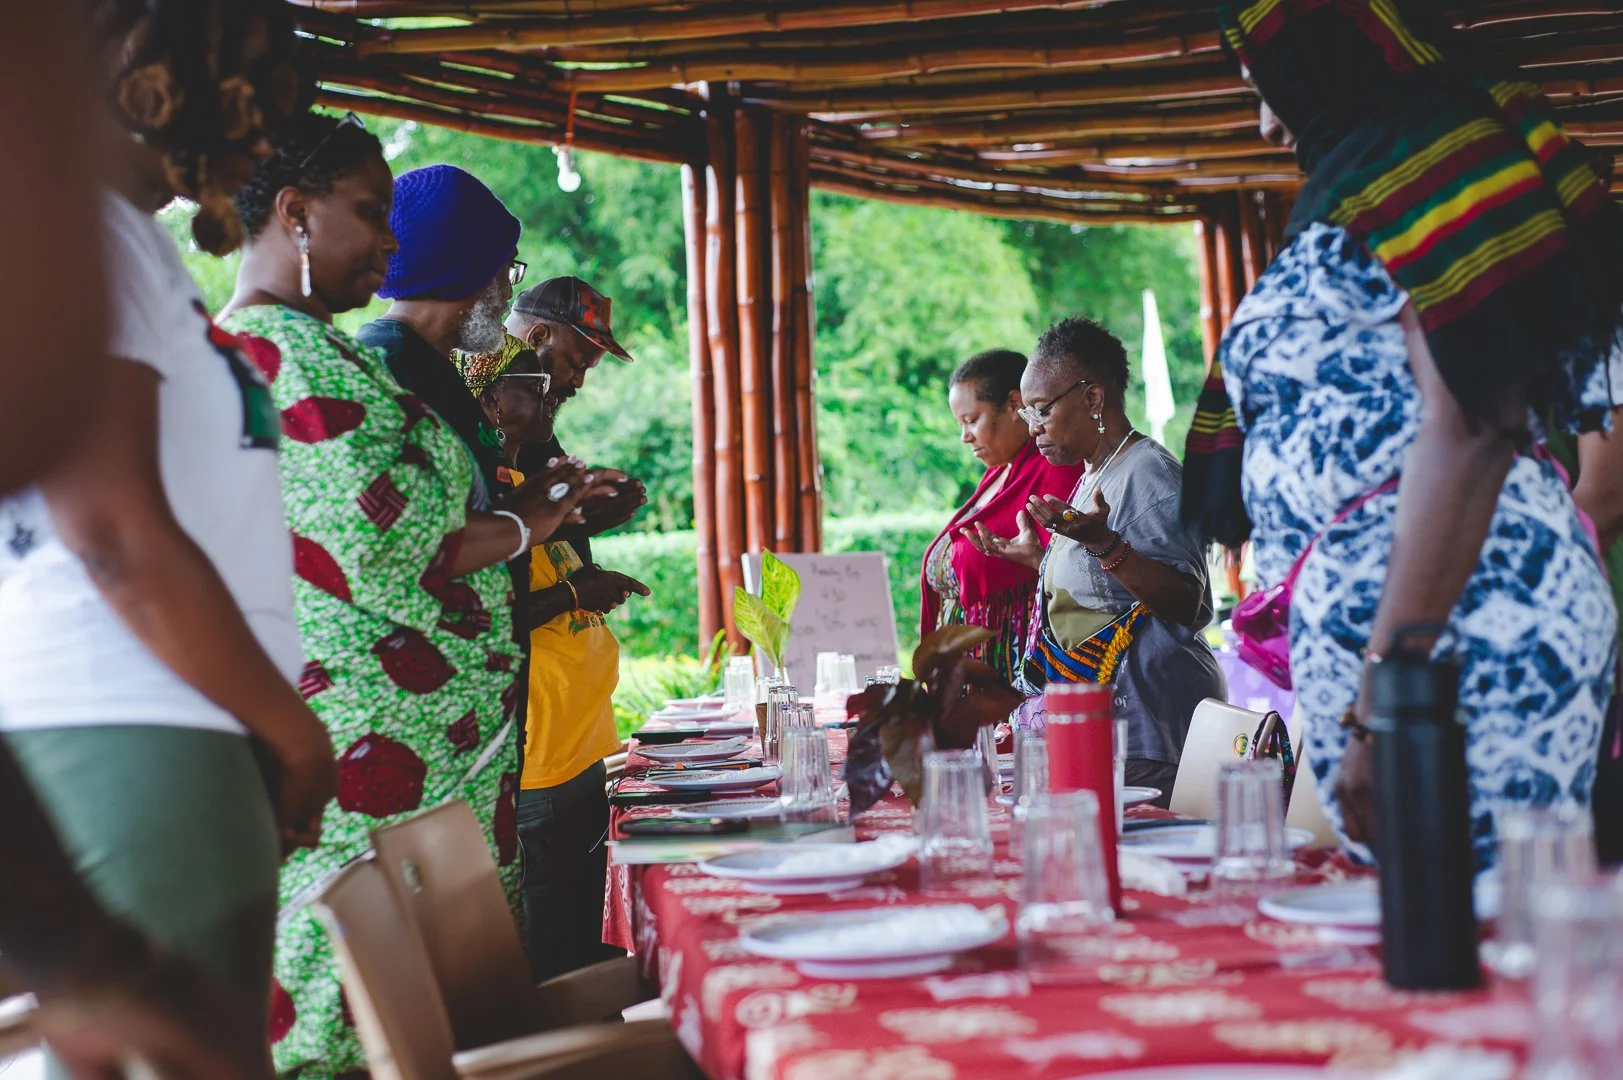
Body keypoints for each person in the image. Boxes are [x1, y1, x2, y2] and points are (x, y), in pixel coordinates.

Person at [1186, 0, 1621, 871]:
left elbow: (1469, 425)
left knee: (1481, 938)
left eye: (1262, 79)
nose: (1262, 116)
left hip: (1471, 635)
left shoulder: (1428, 166)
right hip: (1405, 642)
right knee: (1427, 931)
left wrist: (1385, 699)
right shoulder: (1350, 195)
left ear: (1315, 58)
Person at [219, 115, 603, 1076]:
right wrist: (530, 524)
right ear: (295, 215)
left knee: (458, 1034)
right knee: (366, 1041)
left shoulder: (324, 349)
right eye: (372, 214)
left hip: (439, 777)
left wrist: (534, 517)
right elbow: (382, 549)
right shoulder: (266, 359)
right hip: (367, 785)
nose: (391, 243)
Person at [0, 4, 336, 1076]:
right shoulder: (92, 235)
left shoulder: (116, 242)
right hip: (139, 723)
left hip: (153, 720)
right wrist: (293, 736)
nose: (269, 140)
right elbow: (113, 536)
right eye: (261, 103)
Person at [461, 305, 647, 980]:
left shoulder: (527, 486)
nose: (555, 398)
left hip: (583, 751)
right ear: (491, 402)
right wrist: (575, 594)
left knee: (593, 940)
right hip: (539, 765)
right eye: (537, 390)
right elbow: (490, 613)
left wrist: (590, 535)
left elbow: (559, 565)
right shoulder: (483, 501)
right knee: (561, 956)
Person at [969, 318, 1224, 801]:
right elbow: (1109, 592)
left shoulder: (1147, 474)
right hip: (1111, 726)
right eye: (1027, 413)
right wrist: (1040, 560)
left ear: (1092, 399)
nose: (1033, 427)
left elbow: (1190, 602)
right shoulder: (1096, 473)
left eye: (1042, 410)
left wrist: (1104, 544)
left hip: (1147, 728)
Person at [921, 349, 1087, 682]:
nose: (964, 436)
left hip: (1014, 669)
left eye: (971, 420)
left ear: (1014, 405)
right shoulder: (1001, 473)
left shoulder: (1055, 471)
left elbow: (1077, 573)